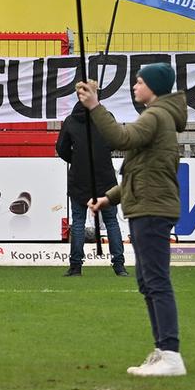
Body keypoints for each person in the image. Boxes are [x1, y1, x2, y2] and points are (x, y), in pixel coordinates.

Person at [79, 63, 187, 377]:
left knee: (155, 281)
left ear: (153, 86)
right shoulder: (158, 116)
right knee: (148, 281)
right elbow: (138, 170)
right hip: (146, 206)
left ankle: (171, 355)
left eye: (139, 82)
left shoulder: (155, 116)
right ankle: (163, 348)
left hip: (152, 209)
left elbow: (121, 138)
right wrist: (108, 198)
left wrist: (95, 105)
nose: (135, 86)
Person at [57, 100, 126, 277]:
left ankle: (75, 267)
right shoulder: (106, 117)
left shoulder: (71, 121)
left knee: (78, 221)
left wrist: (77, 159)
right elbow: (115, 140)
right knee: (111, 221)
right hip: (105, 178)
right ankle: (119, 266)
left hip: (79, 179)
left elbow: (61, 148)